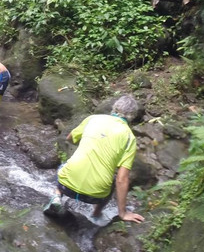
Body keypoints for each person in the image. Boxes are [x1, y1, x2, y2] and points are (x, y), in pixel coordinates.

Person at [44, 95, 145, 223]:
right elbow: (122, 179)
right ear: (132, 116)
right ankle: (96, 214)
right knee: (112, 183)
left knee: (64, 166)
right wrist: (123, 213)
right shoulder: (129, 138)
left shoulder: (93, 119)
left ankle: (57, 196)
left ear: (114, 108)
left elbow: (69, 138)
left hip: (66, 186)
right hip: (95, 196)